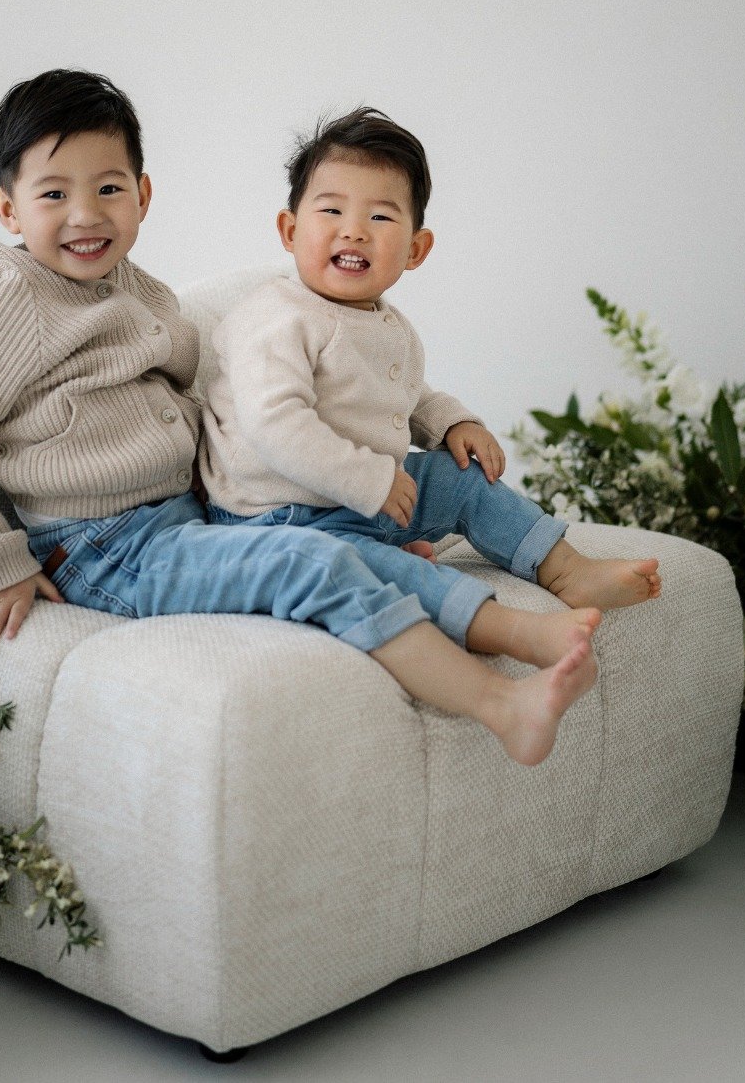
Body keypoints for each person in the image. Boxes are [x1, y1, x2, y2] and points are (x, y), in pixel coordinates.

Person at [0, 73, 598, 767]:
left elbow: (196, 400)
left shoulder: (138, 290)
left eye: (109, 189)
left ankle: (518, 606)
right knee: (309, 562)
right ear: (8, 207)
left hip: (186, 515)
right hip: (106, 548)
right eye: (54, 194)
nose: (85, 215)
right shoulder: (5, 304)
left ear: (142, 196)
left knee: (340, 532)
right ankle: (500, 705)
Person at [200, 107, 664, 747]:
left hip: (364, 494)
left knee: (462, 479)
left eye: (381, 217)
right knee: (378, 570)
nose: (354, 232)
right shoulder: (275, 316)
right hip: (280, 514)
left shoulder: (384, 323)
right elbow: (273, 423)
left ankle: (566, 570)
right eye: (330, 211)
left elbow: (402, 395)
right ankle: (512, 631)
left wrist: (451, 422)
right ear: (289, 228)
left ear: (416, 249)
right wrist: (366, 479)